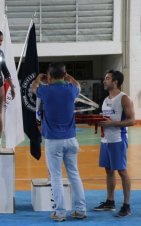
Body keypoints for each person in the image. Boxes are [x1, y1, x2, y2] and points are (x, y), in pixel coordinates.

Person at [32, 62, 86, 222]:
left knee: (56, 177)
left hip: (53, 141)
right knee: (74, 175)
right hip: (71, 139)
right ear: (65, 75)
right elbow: (78, 85)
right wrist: (68, 77)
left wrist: (37, 79)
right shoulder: (71, 90)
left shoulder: (46, 91)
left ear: (48, 76)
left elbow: (33, 89)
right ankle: (81, 210)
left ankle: (60, 212)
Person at [93, 70, 135, 217]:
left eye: (107, 78)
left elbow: (132, 121)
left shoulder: (124, 99)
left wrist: (112, 124)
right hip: (106, 140)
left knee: (122, 171)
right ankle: (110, 201)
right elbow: (107, 119)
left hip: (118, 139)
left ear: (115, 82)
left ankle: (127, 205)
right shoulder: (105, 100)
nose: (104, 81)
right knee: (108, 170)